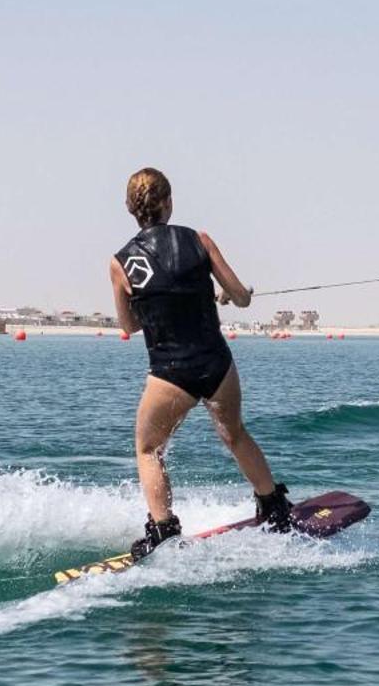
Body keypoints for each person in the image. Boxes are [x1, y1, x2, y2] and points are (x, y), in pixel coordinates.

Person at [109, 167, 291, 560]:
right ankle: (274, 508)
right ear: (169, 202)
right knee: (235, 434)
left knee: (148, 449)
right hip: (216, 366)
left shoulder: (122, 263)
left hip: (170, 375)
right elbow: (241, 297)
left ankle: (163, 530)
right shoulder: (199, 241)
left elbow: (128, 325)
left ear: (130, 210)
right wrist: (231, 296)